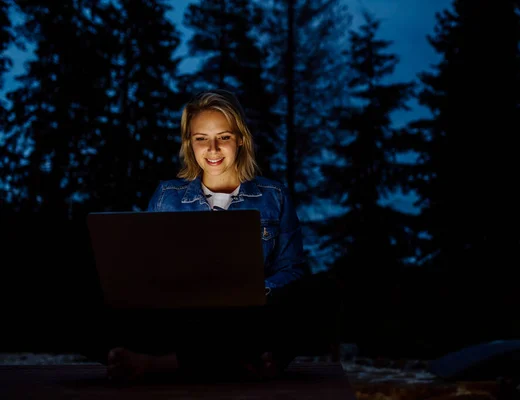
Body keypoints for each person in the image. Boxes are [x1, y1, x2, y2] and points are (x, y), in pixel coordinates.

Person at [88, 89, 338, 382]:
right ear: (189, 144)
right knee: (85, 299)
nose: (213, 148)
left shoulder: (274, 196)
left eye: (224, 137)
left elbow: (292, 270)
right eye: (201, 139)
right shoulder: (167, 196)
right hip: (181, 318)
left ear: (241, 139)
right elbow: (147, 268)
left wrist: (254, 290)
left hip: (247, 318)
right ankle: (243, 363)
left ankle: (161, 364)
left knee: (319, 293)